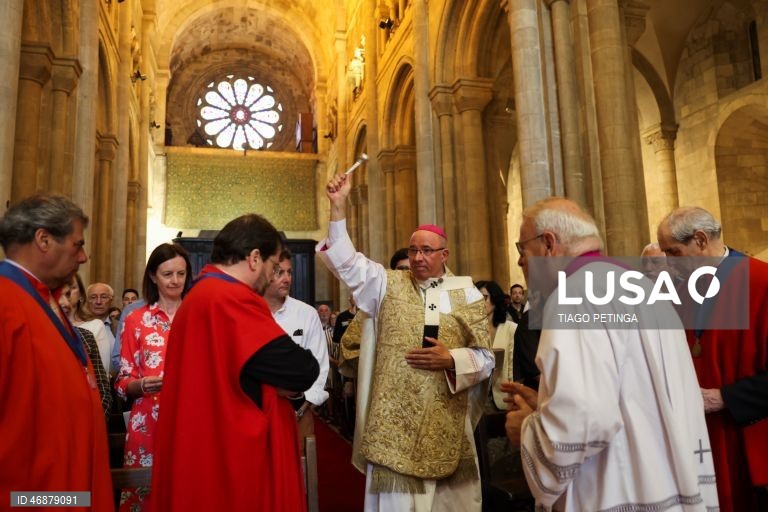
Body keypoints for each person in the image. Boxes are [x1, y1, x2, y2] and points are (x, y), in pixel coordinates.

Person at [504, 197, 719, 511]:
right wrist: (550, 404)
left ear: (549, 244)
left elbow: (582, 420)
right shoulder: (643, 289)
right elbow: (630, 393)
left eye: (522, 250)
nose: (521, 263)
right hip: (669, 484)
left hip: (619, 491)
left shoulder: (574, 296)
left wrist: (527, 429)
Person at [319, 173, 493, 512]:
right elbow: (347, 263)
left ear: (444, 254)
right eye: (413, 250)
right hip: (393, 431)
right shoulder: (386, 284)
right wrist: (338, 208)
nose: (417, 258)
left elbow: (485, 357)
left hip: (446, 424)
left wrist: (452, 360)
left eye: (426, 251)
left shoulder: (465, 292)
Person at [150, 213, 319, 511]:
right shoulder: (229, 299)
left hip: (206, 451)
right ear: (255, 258)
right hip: (232, 462)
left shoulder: (201, 294)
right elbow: (302, 370)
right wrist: (278, 383)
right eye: (273, 265)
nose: (272, 274)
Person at [0, 194, 112, 509]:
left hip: (63, 492)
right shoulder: (6, 302)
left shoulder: (43, 299)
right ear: (44, 239)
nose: (84, 257)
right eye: (77, 245)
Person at [657, 206, 768, 511]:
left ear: (701, 240)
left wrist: (725, 397)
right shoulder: (681, 292)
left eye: (674, 253)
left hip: (750, 440)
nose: (668, 263)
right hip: (698, 441)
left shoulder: (761, 283)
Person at [114, 242, 192, 511]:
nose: (175, 280)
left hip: (192, 418)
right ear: (152, 276)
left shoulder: (198, 315)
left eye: (181, 274)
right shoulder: (136, 320)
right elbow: (123, 381)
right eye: (168, 274)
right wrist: (141, 384)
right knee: (144, 494)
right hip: (148, 419)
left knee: (189, 490)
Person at [263, 248, 330, 448]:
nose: (286, 279)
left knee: (299, 473)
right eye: (279, 272)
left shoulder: (306, 314)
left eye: (289, 272)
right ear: (264, 274)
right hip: (258, 410)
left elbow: (319, 364)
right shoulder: (249, 311)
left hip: (299, 410)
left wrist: (300, 407)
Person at [59, 275, 114, 417]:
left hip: (86, 402)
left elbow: (102, 378)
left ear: (81, 295)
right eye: (61, 288)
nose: (67, 292)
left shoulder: (92, 329)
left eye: (72, 288)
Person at [475, 280, 516, 411]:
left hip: (503, 396)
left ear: (495, 299)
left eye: (484, 297)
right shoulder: (471, 330)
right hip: (476, 397)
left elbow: (513, 367)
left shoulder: (511, 328)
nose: (479, 302)